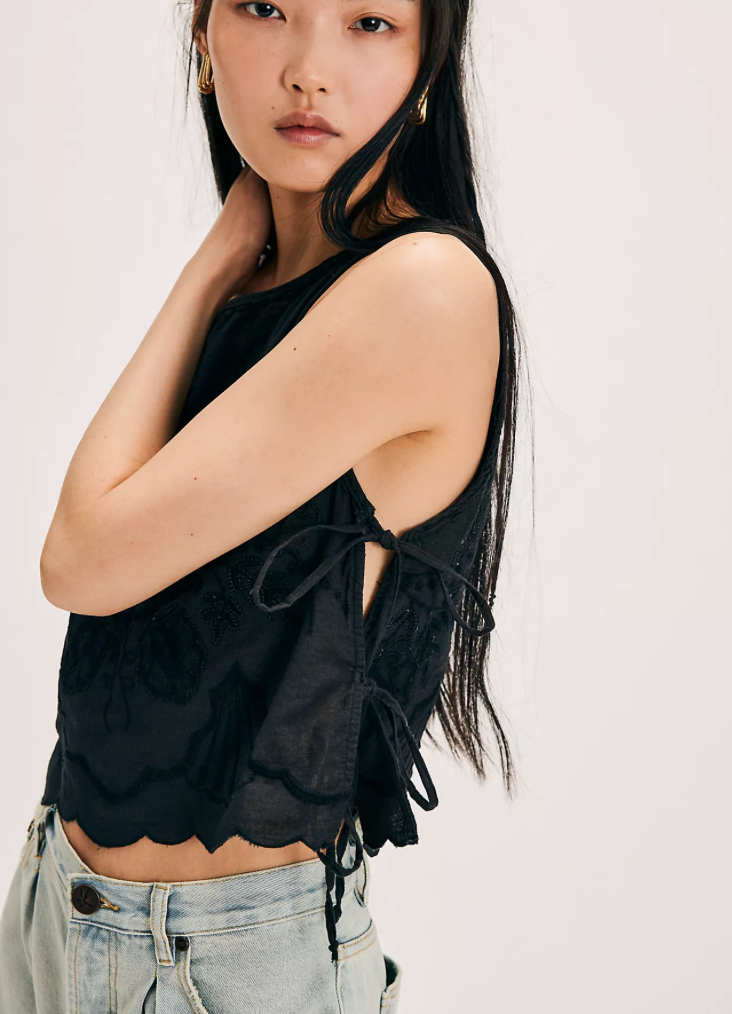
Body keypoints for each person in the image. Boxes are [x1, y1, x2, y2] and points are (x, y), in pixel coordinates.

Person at [0, 0, 527, 1010]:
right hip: (60, 903)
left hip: (216, 962)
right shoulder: (271, 282)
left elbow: (80, 557)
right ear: (203, 37)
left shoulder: (422, 286)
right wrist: (227, 264)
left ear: (430, 59)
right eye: (265, 7)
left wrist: (211, 261)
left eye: (369, 22)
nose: (308, 68)